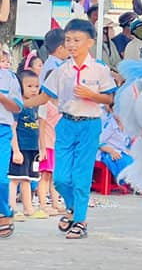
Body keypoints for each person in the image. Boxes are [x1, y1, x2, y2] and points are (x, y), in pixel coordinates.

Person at [26, 19, 118, 240]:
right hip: (66, 124)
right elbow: (44, 96)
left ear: (90, 42)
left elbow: (109, 99)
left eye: (77, 40)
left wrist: (92, 95)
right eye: (68, 40)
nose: (72, 45)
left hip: (89, 125)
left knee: (81, 176)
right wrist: (21, 104)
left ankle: (80, 221)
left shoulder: (100, 69)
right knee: (60, 177)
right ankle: (73, 207)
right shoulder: (61, 70)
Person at [37, 30, 68, 214]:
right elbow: (42, 125)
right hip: (47, 143)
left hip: (56, 142)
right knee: (45, 175)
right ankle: (43, 203)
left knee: (54, 174)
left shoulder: (56, 65)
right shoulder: (54, 68)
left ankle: (55, 202)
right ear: (60, 48)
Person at [9, 70, 44, 219]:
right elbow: (12, 128)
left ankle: (28, 208)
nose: (34, 90)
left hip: (32, 149)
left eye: (36, 86)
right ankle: (11, 208)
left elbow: (38, 129)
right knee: (14, 179)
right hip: (21, 148)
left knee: (27, 179)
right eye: (29, 86)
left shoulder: (34, 107)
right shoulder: (18, 106)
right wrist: (16, 150)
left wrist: (41, 149)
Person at [0, 48, 24, 238]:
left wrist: (1, 96)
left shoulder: (9, 78)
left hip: (3, 129)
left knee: (1, 178)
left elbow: (17, 107)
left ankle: (5, 212)